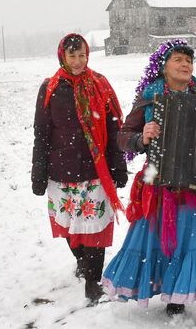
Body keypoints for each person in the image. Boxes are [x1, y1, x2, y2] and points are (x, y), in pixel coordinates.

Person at [102, 39, 196, 329]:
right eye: (178, 60)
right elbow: (123, 137)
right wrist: (141, 137)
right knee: (168, 243)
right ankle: (175, 295)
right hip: (162, 183)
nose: (186, 65)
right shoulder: (150, 98)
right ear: (164, 66)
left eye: (189, 61)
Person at [31, 33, 127, 304]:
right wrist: (38, 172)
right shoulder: (50, 88)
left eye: (82, 55)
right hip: (61, 171)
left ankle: (93, 282)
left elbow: (113, 126)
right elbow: (42, 133)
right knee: (70, 225)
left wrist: (118, 164)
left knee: (95, 227)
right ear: (63, 56)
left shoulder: (99, 85)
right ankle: (82, 261)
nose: (78, 61)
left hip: (95, 169)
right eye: (72, 55)